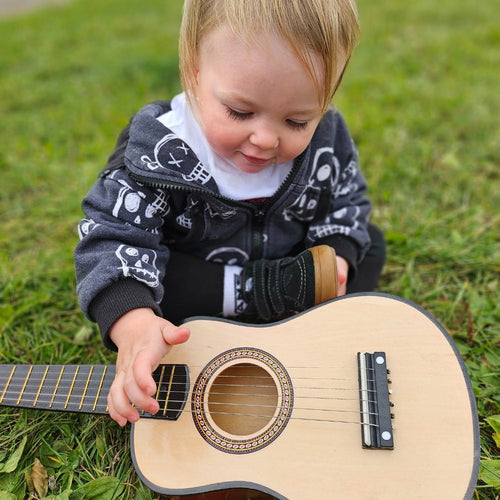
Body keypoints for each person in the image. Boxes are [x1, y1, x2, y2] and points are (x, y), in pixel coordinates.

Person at [75, 0, 385, 426]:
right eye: (240, 112)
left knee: (369, 244)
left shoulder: (328, 138)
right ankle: (268, 302)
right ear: (195, 72)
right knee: (155, 282)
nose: (264, 139)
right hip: (205, 284)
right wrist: (133, 323)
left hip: (290, 262)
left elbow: (346, 201)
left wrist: (338, 253)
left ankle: (298, 310)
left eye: (297, 121)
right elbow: (112, 236)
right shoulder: (159, 151)